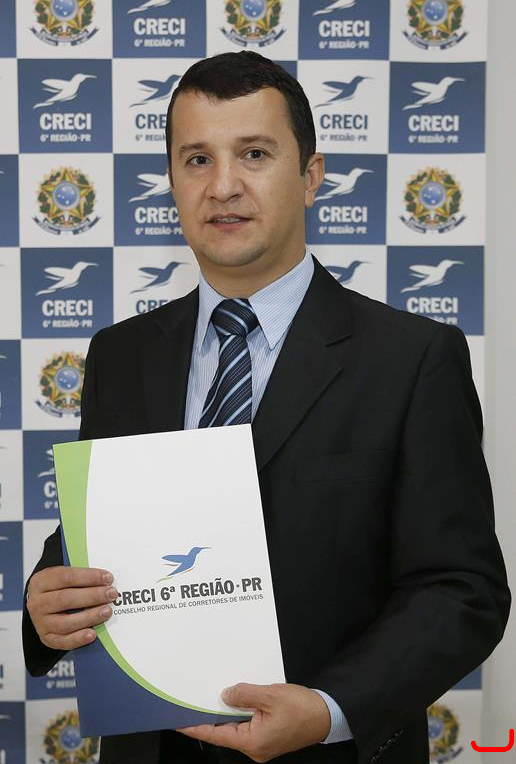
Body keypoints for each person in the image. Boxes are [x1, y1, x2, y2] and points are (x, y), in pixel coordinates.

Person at [23, 51, 510, 764]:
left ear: (310, 176)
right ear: (172, 180)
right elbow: (92, 542)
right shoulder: (120, 355)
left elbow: (461, 591)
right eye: (197, 159)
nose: (223, 185)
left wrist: (328, 709)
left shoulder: (412, 358)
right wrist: (45, 605)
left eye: (254, 153)